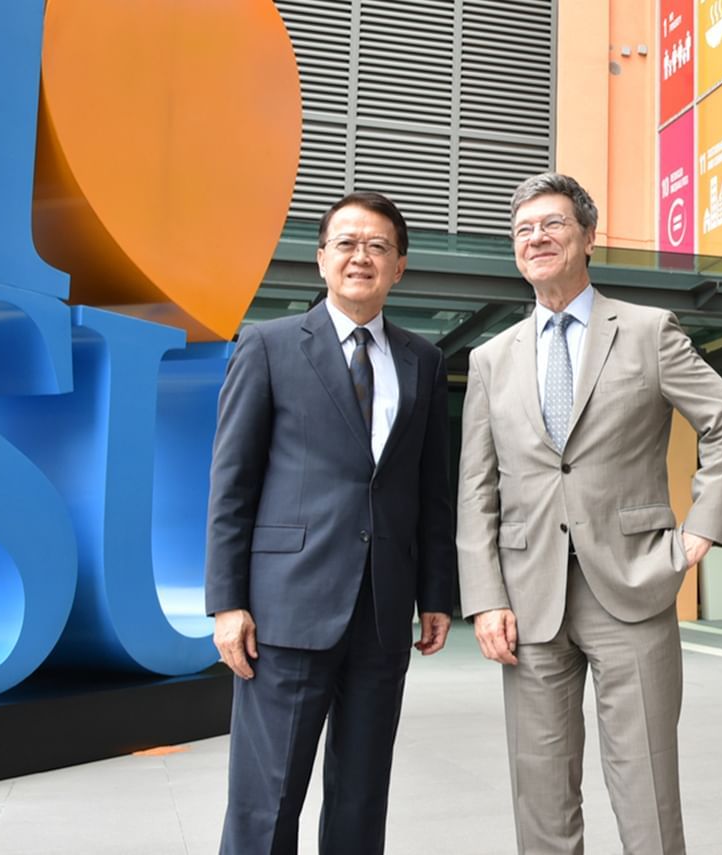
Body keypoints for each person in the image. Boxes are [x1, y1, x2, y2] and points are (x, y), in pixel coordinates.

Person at [457, 173, 722, 855]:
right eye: (524, 229)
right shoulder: (489, 358)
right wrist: (484, 595)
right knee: (540, 788)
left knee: (644, 781)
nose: (536, 238)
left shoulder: (647, 331)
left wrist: (703, 524)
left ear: (587, 236)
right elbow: (476, 486)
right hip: (527, 600)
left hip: (633, 583)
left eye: (552, 224)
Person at [205, 192, 457, 854]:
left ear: (399, 266)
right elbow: (231, 484)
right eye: (345, 242)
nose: (360, 256)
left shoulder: (423, 361)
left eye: (377, 246)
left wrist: (436, 593)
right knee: (268, 796)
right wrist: (226, 601)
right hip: (286, 613)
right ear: (321, 258)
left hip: (381, 614)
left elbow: (432, 489)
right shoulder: (267, 345)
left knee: (361, 792)